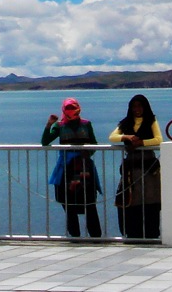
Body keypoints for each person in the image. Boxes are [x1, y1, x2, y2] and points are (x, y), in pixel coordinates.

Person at [41, 97, 103, 238]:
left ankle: (96, 237)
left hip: (85, 169)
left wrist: (87, 152)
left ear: (78, 108)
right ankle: (75, 237)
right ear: (64, 110)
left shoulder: (86, 124)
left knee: (90, 203)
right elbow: (45, 142)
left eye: (73, 108)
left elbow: (94, 144)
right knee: (68, 204)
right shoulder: (60, 126)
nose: (71, 112)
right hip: (66, 169)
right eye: (68, 109)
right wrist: (49, 125)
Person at [108, 93, 163, 239]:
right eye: (134, 107)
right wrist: (126, 137)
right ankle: (133, 234)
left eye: (139, 106)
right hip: (132, 169)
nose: (137, 109)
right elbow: (112, 137)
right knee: (132, 201)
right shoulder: (126, 122)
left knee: (151, 201)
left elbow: (158, 139)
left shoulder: (151, 121)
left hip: (149, 169)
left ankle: (152, 234)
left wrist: (141, 143)